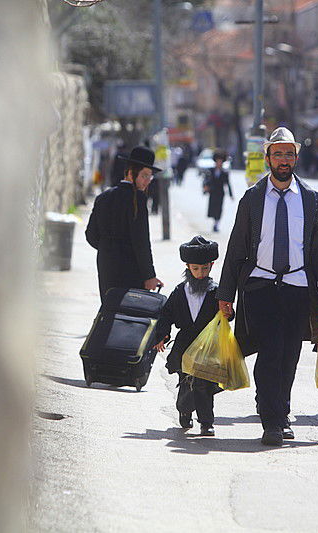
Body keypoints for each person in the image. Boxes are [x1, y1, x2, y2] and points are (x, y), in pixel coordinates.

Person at [216, 127, 318, 446]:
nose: (283, 160)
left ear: (296, 158)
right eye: (278, 153)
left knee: (289, 355)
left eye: (289, 154)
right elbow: (236, 247)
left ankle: (280, 412)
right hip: (260, 286)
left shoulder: (311, 200)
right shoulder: (253, 198)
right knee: (270, 352)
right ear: (267, 158)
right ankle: (273, 420)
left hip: (298, 287)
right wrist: (225, 294)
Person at [154, 236, 223, 436]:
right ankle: (184, 410)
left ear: (211, 265)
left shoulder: (216, 291)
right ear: (188, 267)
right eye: (195, 269)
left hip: (208, 345)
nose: (200, 273)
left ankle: (206, 422)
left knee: (204, 384)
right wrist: (162, 335)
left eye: (204, 268)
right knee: (187, 382)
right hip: (185, 345)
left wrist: (228, 314)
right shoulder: (180, 291)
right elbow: (166, 314)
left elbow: (226, 315)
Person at [85, 146, 164, 302]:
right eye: (144, 175)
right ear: (130, 172)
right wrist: (149, 276)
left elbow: (91, 236)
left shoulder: (103, 197)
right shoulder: (138, 199)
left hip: (106, 264)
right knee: (128, 311)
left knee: (109, 307)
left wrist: (108, 249)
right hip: (131, 269)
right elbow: (141, 242)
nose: (147, 181)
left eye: (150, 177)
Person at [203, 150, 233, 232]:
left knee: (219, 209)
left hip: (220, 193)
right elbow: (206, 180)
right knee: (213, 208)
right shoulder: (210, 171)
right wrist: (205, 188)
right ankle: (214, 220)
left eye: (220, 161)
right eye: (217, 161)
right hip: (212, 192)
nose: (219, 163)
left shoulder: (224, 172)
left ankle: (216, 224)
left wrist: (231, 195)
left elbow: (228, 184)